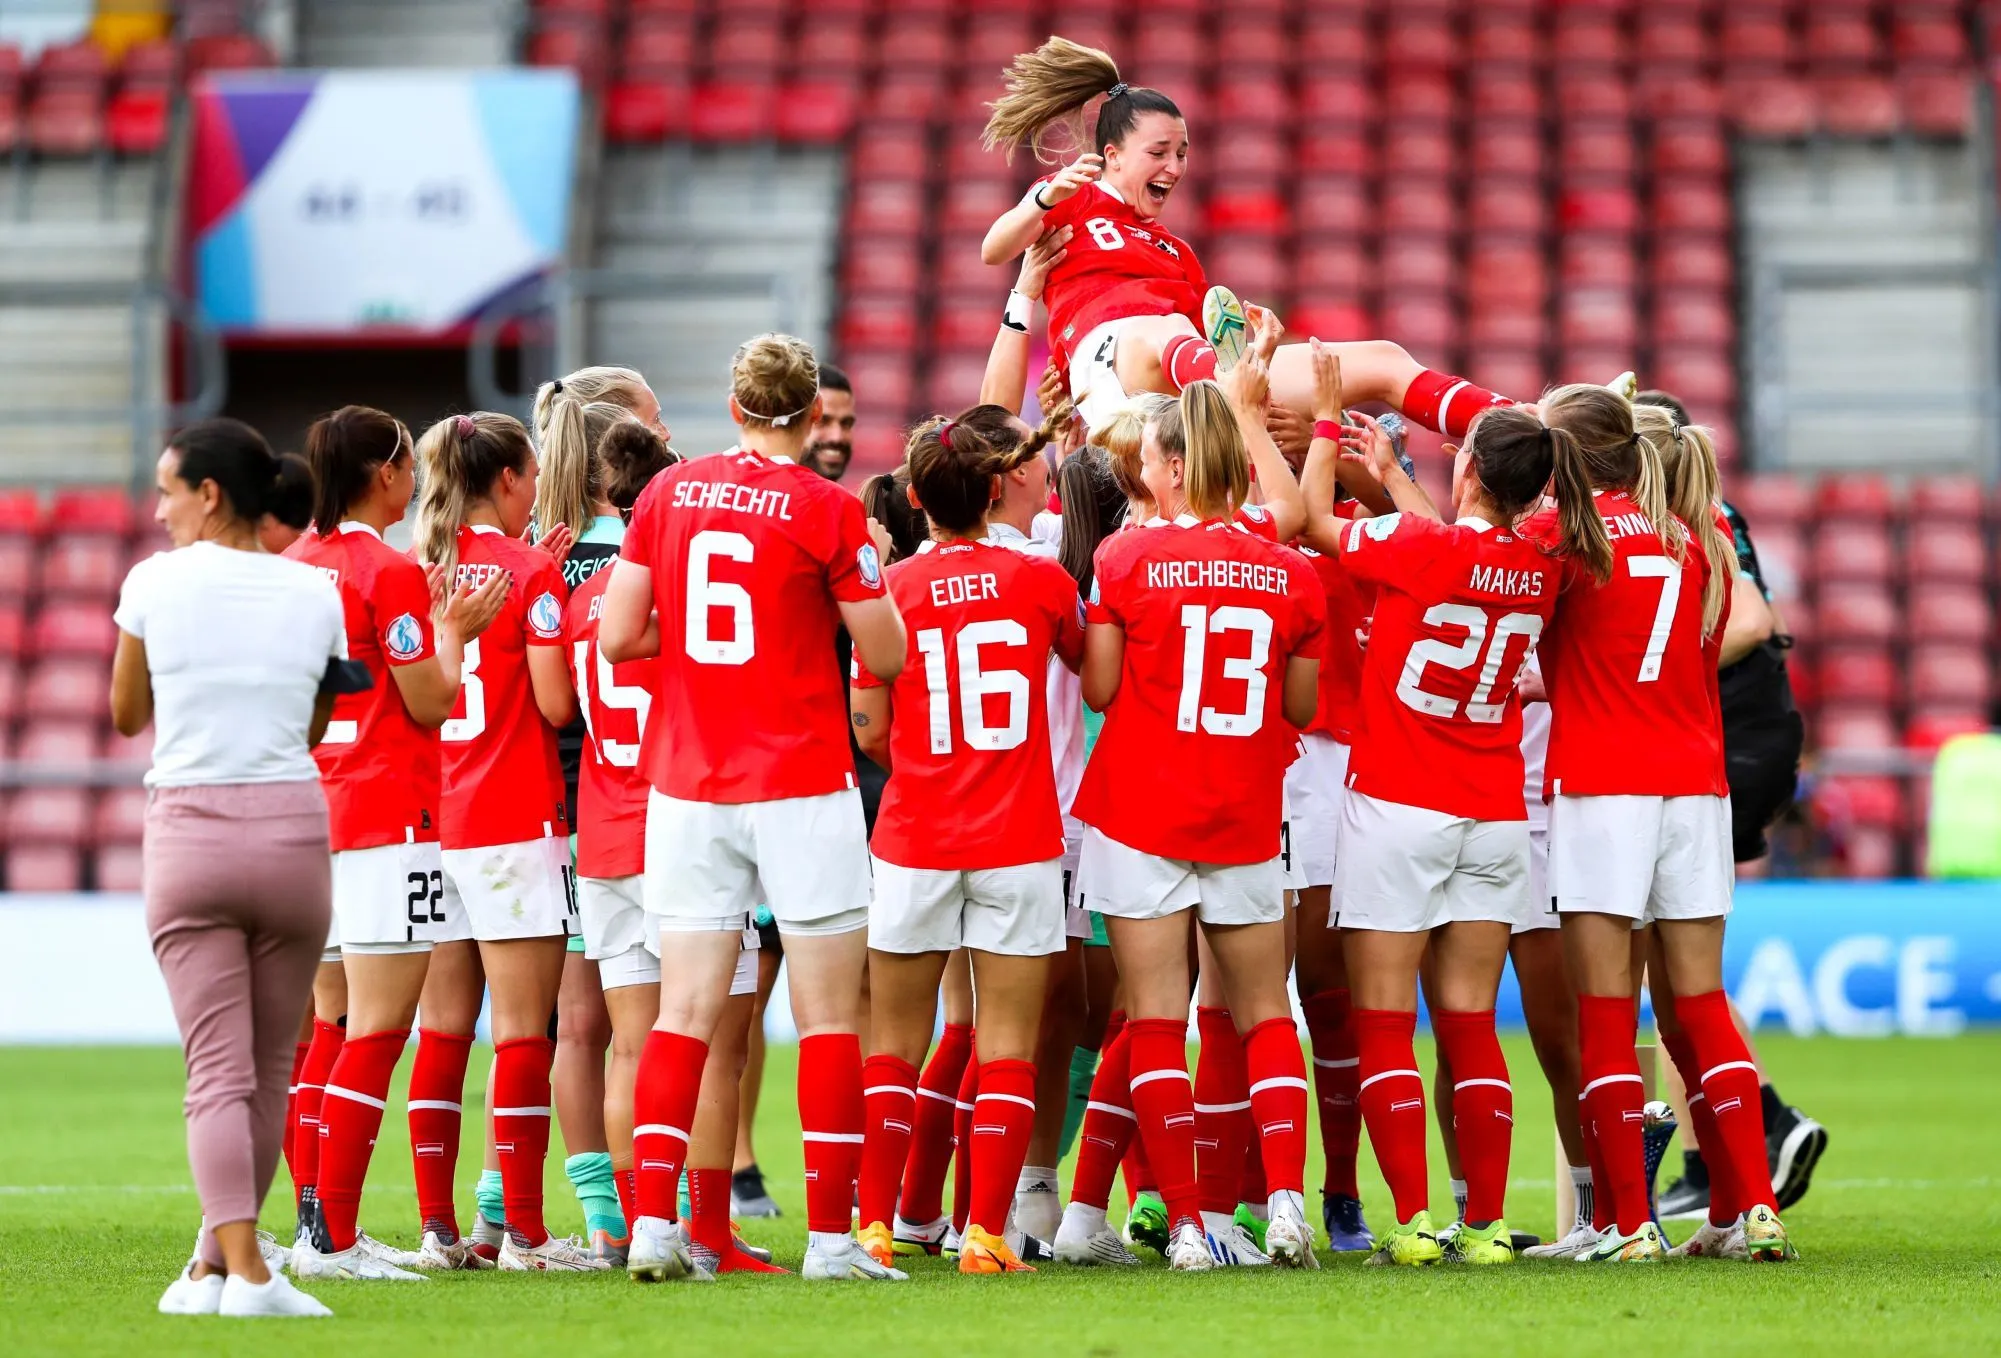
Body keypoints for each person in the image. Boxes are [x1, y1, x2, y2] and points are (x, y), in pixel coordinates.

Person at [599, 332, 909, 1283]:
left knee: (684, 1010)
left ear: (733, 410)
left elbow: (619, 638)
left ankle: (653, 1228)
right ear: (813, 412)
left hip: (689, 781)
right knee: (826, 1017)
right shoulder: (824, 507)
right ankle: (826, 1242)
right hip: (800, 780)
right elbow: (886, 655)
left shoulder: (665, 495)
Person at [1323, 387, 1613, 1267]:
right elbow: (1463, 556)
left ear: (1468, 469)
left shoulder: (1418, 546)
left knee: (1381, 1022)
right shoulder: (1544, 564)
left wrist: (1314, 429)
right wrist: (1396, 481)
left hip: (1397, 803)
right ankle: (1484, 1225)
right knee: (1470, 1024)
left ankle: (1412, 1224)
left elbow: (1312, 520)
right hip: (1491, 813)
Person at [1058, 365, 1324, 1272]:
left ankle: (1182, 1228)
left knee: (1158, 1020)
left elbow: (1096, 685)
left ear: (1166, 468)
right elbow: (1297, 705)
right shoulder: (1289, 570)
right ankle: (1285, 1206)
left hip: (1141, 813)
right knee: (1263, 1016)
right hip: (1244, 815)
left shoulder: (1122, 559)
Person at [1533, 384, 1796, 1264]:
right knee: (1699, 1006)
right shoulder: (1701, 537)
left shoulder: (1568, 537)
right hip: (1694, 788)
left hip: (1604, 788)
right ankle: (1751, 1210)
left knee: (1605, 1012)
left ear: (1568, 459)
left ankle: (1624, 1222)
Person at [979, 37, 1553, 438]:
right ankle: (1238, 393)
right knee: (1167, 330)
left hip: (1181, 386)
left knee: (1384, 359)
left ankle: (1520, 423)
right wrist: (1042, 199)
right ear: (1111, 155)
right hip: (1108, 376)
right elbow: (994, 249)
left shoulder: (1175, 252)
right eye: (1158, 153)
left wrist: (1249, 336)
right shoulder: (1071, 195)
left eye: (1182, 153)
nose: (1175, 168)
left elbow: (1197, 327)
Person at [118, 418, 346, 1319]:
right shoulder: (312, 591)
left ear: (210, 494)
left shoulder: (151, 583)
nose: (161, 508)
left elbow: (126, 711)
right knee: (268, 1067)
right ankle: (215, 1267)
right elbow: (316, 727)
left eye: (171, 490)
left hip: (191, 832)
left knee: (216, 1069)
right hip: (293, 832)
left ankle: (244, 1272)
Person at [850, 414, 1086, 1275]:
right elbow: (1090, 674)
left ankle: (873, 1225)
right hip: (1020, 836)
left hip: (915, 831)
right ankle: (985, 1234)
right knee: (1009, 1043)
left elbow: (868, 728)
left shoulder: (892, 589)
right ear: (996, 493)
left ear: (915, 501)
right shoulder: (1040, 579)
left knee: (895, 1046)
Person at [285, 407, 506, 1279]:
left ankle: (315, 1226)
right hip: (388, 815)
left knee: (334, 1024)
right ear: (384, 473)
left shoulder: (294, 566)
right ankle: (333, 1239)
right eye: (405, 464)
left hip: (314, 813)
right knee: (380, 1027)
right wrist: (456, 635)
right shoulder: (388, 571)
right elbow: (430, 701)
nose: (414, 479)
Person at [411, 412, 601, 1272]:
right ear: (510, 481)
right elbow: (559, 708)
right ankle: (524, 1232)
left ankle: (437, 1229)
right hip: (513, 820)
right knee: (524, 1033)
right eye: (528, 477)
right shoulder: (528, 574)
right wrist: (546, 593)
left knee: (441, 1031)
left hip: (432, 823)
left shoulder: (422, 570)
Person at [1634, 390, 1828, 1223]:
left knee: (1674, 970)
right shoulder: (1696, 511)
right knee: (1673, 970)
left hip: (1729, 734)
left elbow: (1751, 618)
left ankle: (1759, 1123)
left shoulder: (1691, 515)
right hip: (1743, 732)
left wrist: (1658, 667)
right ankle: (1718, 1152)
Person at [531, 376, 670, 1258]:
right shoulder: (654, 544)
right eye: (652, 421)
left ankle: (583, 1217)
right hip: (656, 803)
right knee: (666, 1026)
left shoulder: (537, 554)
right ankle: (673, 1209)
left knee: (569, 1028)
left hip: (558, 802)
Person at [805, 363, 856, 480]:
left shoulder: (849, 498)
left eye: (846, 423)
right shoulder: (759, 494)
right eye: (822, 421)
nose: (837, 437)